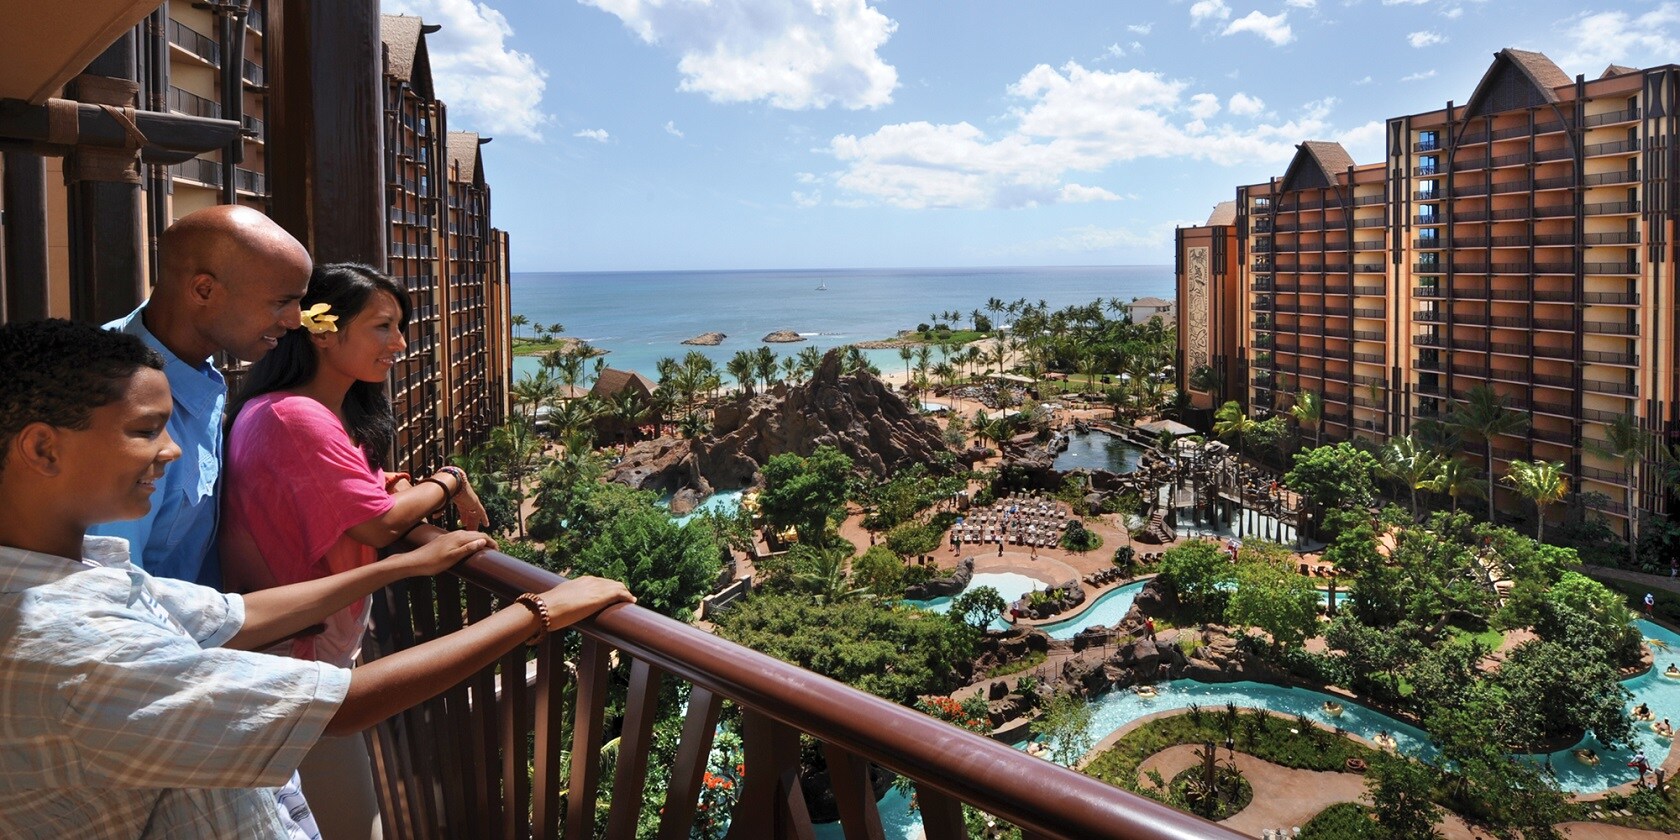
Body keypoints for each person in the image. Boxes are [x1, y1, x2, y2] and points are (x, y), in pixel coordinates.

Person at [0, 319, 636, 839]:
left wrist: (399, 565)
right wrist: (539, 612)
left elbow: (236, 615)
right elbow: (340, 706)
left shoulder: (76, 577)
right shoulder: (70, 646)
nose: (169, 450)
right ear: (43, 449)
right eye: (144, 430)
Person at [219, 263, 491, 839]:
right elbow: (379, 524)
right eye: (383, 327)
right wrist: (449, 483)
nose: (400, 343)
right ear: (322, 332)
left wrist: (390, 485)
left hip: (298, 653)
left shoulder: (293, 410)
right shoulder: (297, 416)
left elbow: (353, 499)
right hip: (296, 666)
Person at [88, 206, 313, 586]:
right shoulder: (110, 395)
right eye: (281, 302)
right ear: (203, 289)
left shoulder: (196, 370)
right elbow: (115, 591)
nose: (295, 320)